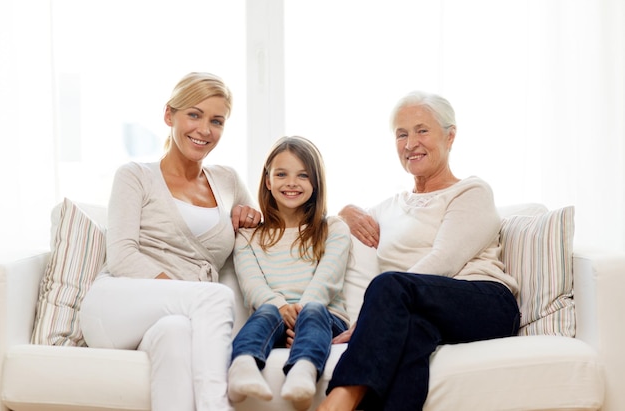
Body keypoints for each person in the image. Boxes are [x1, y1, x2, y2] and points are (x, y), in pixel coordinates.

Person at [316, 91, 521, 411]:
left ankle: (338, 401)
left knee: (389, 285)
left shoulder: (470, 191)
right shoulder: (389, 207)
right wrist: (345, 211)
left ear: (450, 136)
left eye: (422, 130)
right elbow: (331, 225)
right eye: (402, 134)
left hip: (484, 303)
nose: (411, 143)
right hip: (421, 312)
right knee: (410, 334)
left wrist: (373, 314)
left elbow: (444, 261)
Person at [79, 72, 261, 411]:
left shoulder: (228, 181)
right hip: (116, 305)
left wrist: (254, 219)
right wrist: (190, 295)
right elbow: (122, 257)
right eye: (194, 114)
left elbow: (266, 239)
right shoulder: (135, 176)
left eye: (216, 120)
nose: (205, 129)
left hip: (178, 318)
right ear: (169, 116)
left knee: (176, 337)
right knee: (214, 297)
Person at [227, 136, 351, 410]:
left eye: (303, 175)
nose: (291, 182)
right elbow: (252, 286)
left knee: (314, 309)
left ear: (315, 183)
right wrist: (281, 308)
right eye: (281, 174)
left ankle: (303, 372)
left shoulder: (334, 229)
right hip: (273, 318)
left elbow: (327, 281)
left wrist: (301, 316)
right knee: (266, 312)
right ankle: (243, 366)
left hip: (325, 318)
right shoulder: (248, 237)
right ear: (268, 181)